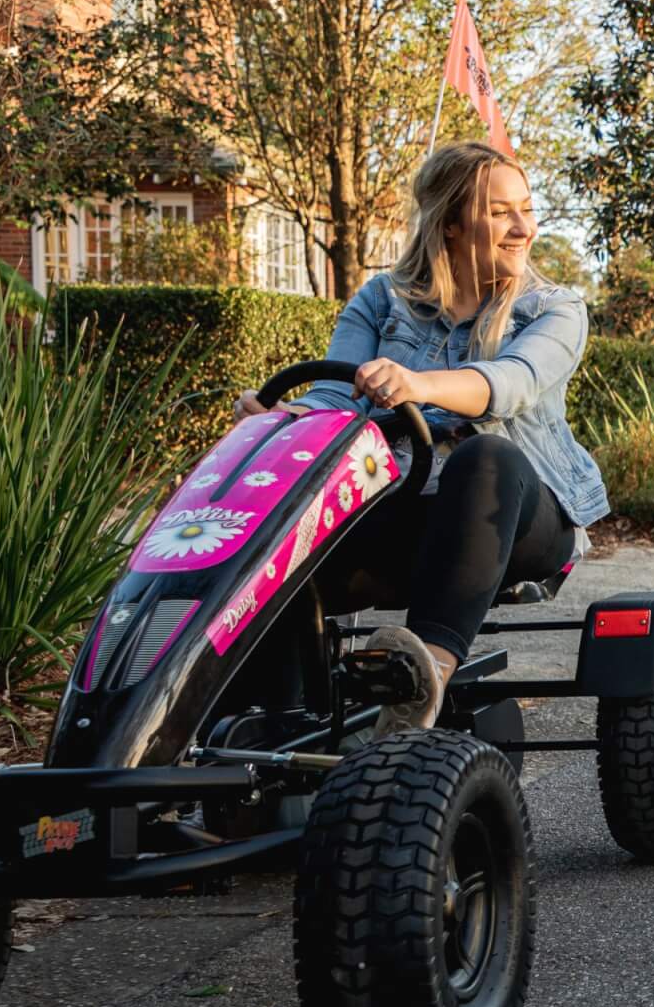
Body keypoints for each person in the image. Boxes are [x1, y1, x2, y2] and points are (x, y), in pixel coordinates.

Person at [233, 140, 608, 736]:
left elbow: (508, 384)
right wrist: (278, 420)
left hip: (516, 514)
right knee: (285, 524)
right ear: (452, 224)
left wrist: (419, 384)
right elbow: (336, 398)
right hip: (403, 506)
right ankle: (267, 735)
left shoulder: (554, 310)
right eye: (500, 212)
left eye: (527, 210)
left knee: (486, 455)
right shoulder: (383, 300)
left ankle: (422, 683)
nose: (522, 228)